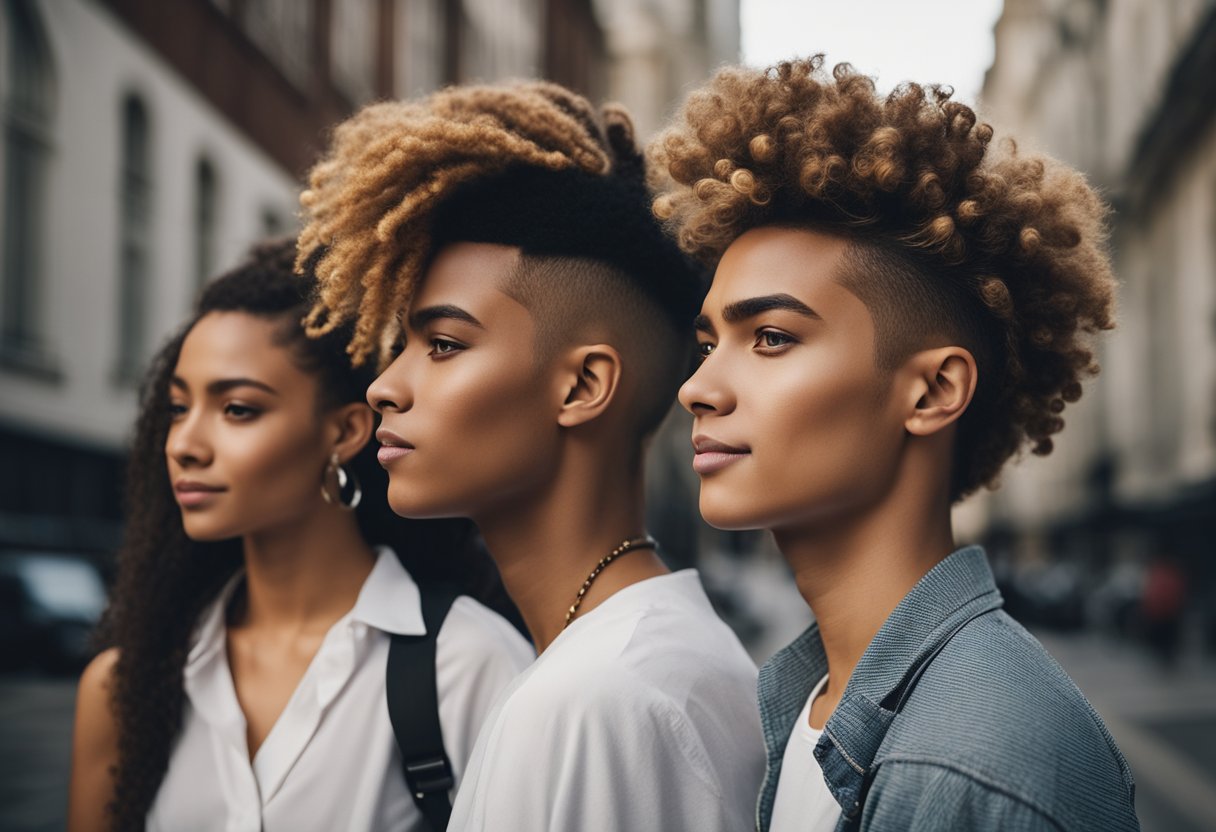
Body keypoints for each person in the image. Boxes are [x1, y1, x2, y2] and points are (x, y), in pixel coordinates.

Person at [651, 57, 1139, 831]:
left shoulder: (969, 762)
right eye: (711, 343)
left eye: (771, 337)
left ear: (933, 391)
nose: (698, 388)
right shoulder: (812, 701)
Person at [295, 80, 765, 831]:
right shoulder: (646, 660)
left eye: (443, 345)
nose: (385, 386)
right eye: (401, 347)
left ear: (582, 385)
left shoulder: (592, 702)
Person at [67, 240, 533, 832]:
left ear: (344, 431)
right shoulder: (124, 688)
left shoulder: (470, 667)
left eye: (237, 409)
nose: (184, 444)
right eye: (179, 407)